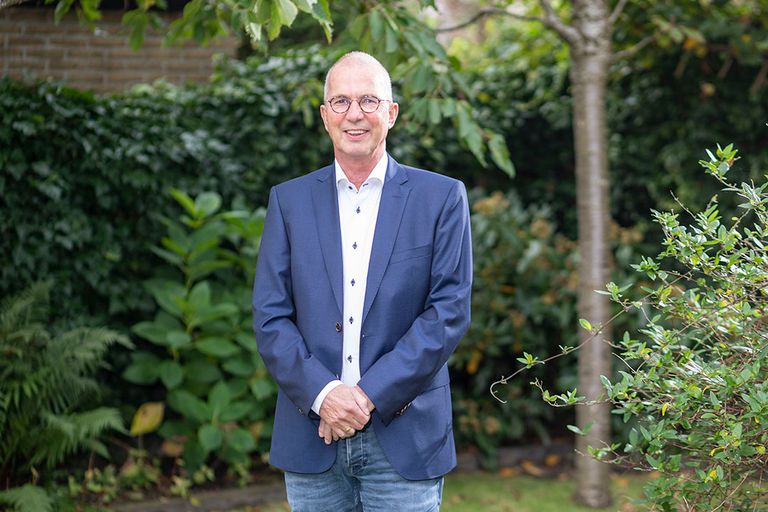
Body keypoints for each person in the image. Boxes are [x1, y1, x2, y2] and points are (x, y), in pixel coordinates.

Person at [252, 51, 472, 512]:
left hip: (406, 436)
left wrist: (365, 397)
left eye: (369, 101)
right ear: (324, 116)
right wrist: (326, 395)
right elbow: (271, 317)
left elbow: (447, 313)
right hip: (312, 434)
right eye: (341, 101)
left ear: (391, 114)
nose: (355, 114)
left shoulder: (441, 198)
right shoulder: (288, 202)